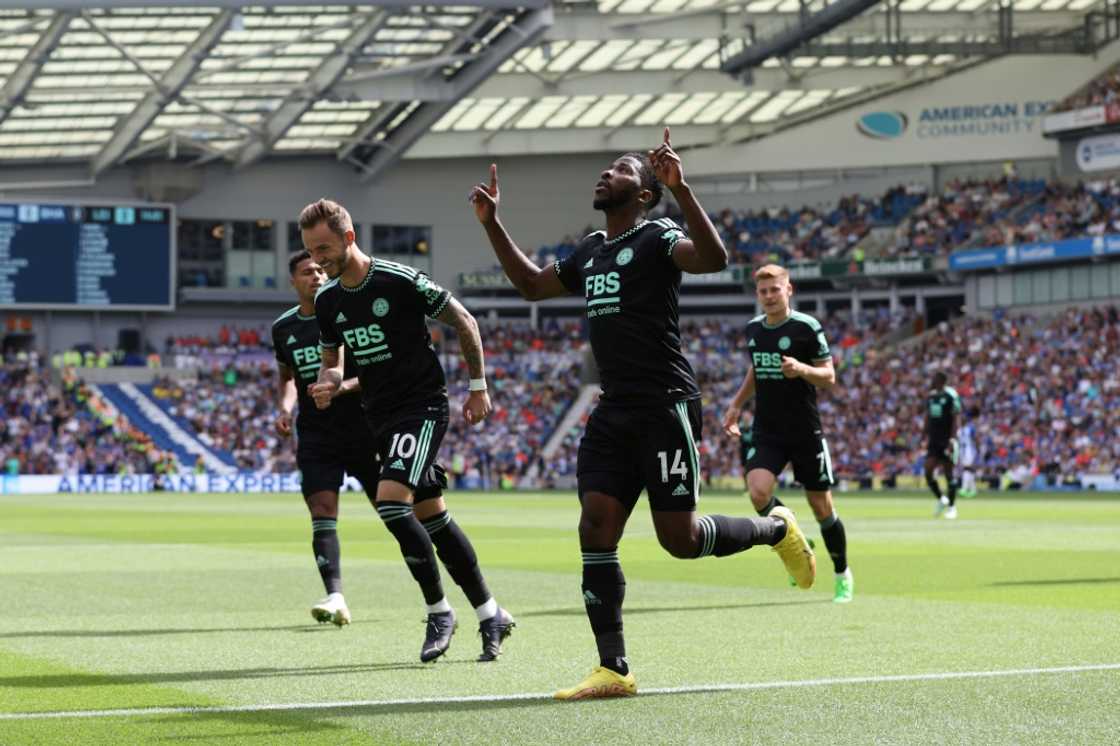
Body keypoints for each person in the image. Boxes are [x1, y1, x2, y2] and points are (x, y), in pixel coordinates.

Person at [470, 128, 815, 700]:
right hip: (613, 411)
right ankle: (614, 667)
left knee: (676, 540)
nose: (606, 173)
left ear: (646, 194)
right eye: (607, 167)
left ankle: (776, 528)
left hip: (665, 406)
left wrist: (684, 189)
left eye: (622, 169)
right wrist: (491, 224)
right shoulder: (590, 249)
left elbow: (712, 257)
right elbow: (532, 285)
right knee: (594, 527)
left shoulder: (658, 234)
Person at [302, 200, 514, 663]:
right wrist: (329, 384)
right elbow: (333, 357)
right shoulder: (327, 299)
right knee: (433, 517)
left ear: (349, 237)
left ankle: (439, 611)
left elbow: (464, 320)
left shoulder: (397, 280)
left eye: (324, 248)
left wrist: (478, 387)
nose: (318, 260)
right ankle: (490, 612)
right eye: (311, 252)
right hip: (379, 415)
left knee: (392, 504)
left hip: (423, 407)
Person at [273, 250, 445, 627]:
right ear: (294, 281)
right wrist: (285, 408)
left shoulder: (343, 311)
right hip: (317, 434)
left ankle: (434, 596)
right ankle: (335, 596)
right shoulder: (283, 328)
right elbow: (287, 377)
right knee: (321, 513)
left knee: (395, 511)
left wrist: (340, 388)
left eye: (320, 269)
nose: (316, 276)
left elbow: (374, 368)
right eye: (306, 272)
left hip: (366, 428)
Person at [721, 264, 852, 604]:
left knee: (822, 507)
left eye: (774, 289)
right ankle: (794, 540)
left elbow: (829, 376)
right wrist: (736, 404)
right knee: (758, 493)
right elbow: (756, 368)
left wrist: (801, 369)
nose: (769, 296)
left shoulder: (807, 327)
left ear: (788, 290)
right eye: (763, 291)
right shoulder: (753, 330)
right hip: (768, 430)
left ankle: (842, 574)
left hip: (805, 430)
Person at [924, 370, 962, 518]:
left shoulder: (951, 395)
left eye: (934, 378)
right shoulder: (931, 396)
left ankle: (952, 508)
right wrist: (924, 435)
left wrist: (952, 439)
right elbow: (928, 417)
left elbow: (956, 417)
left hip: (947, 439)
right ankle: (942, 498)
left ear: (941, 380)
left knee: (948, 473)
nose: (932, 381)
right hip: (934, 440)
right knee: (928, 471)